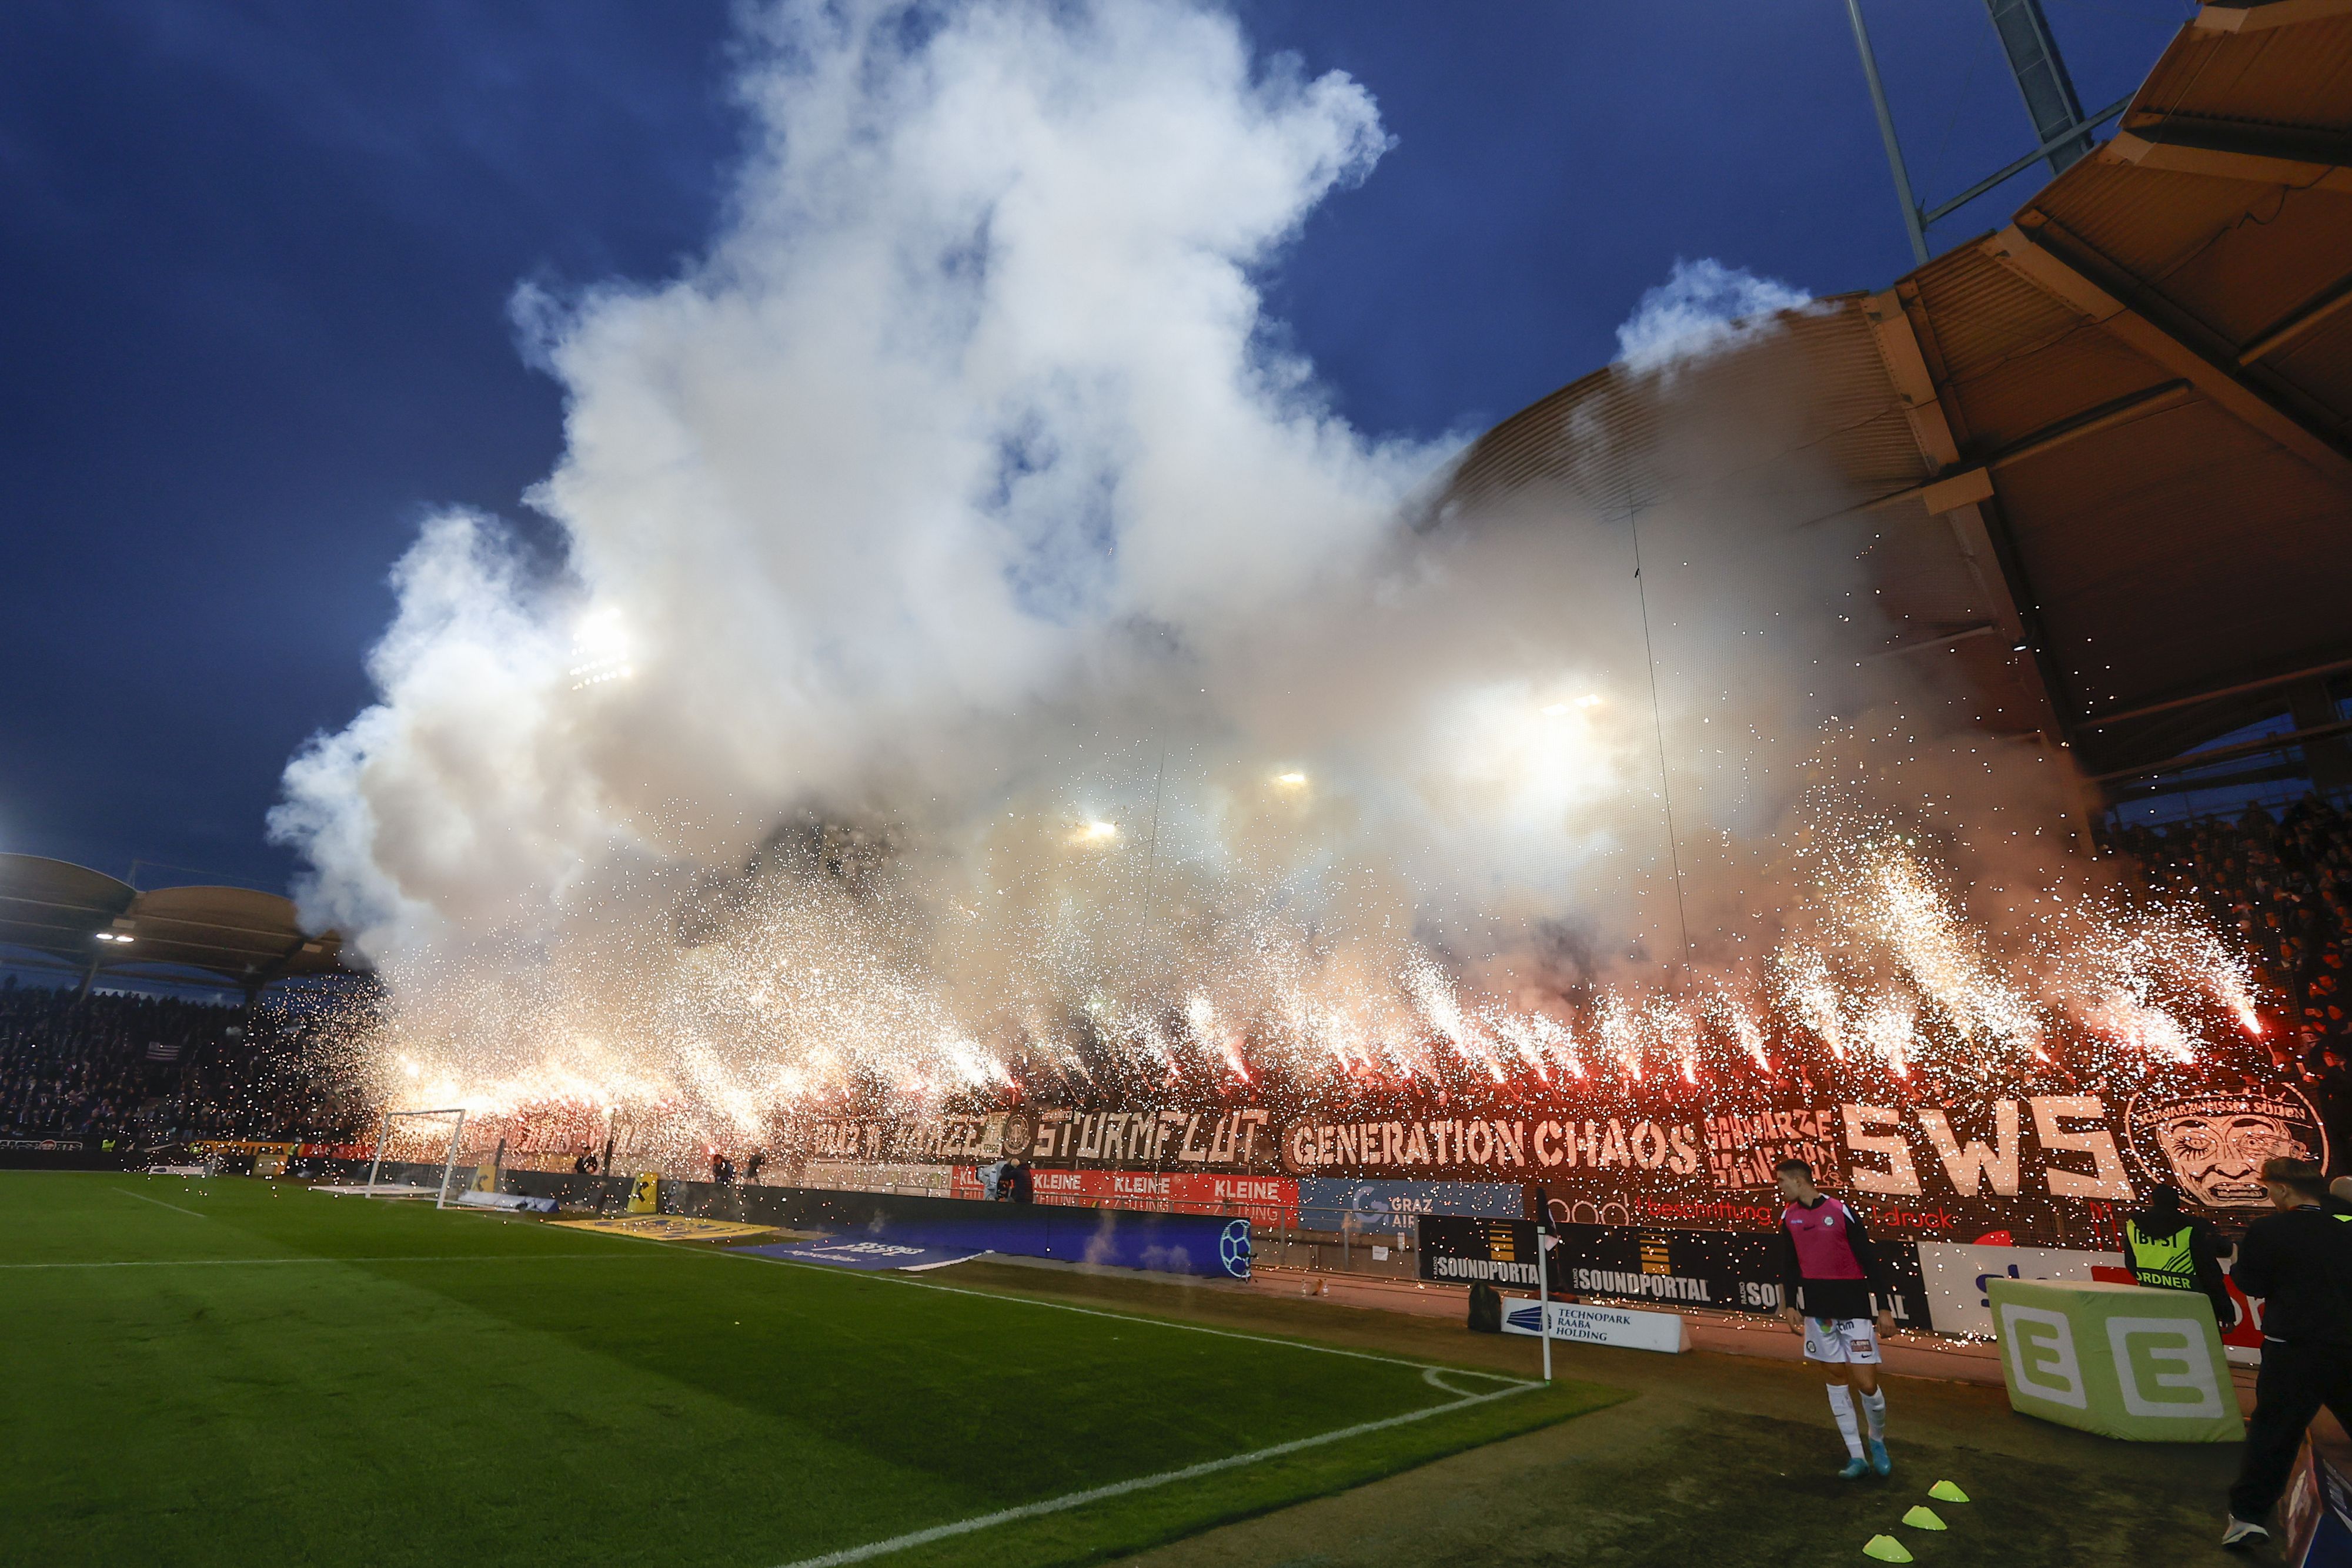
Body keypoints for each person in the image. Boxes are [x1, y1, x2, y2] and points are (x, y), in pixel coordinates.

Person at [2221, 1158, 2352, 1550]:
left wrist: (2235, 1259)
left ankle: (2246, 1518)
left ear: (2280, 1189)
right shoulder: (2343, 1231)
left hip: (2291, 1350)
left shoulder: (2269, 1228)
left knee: (2273, 1434)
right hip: (2345, 1346)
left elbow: (2250, 1281)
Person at [1772, 1158, 1899, 1480]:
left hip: (1854, 1308)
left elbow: (1869, 1260)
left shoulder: (1840, 1211)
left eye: (1782, 1182)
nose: (1780, 1188)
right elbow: (1789, 1264)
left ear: (1799, 1181)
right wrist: (1790, 1304)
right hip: (1819, 1312)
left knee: (1867, 1384)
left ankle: (1878, 1441)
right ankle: (1856, 1456)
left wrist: (1884, 1307)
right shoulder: (1789, 1217)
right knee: (1835, 1381)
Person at [2124, 1184, 2236, 1330]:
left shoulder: (2134, 1226)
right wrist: (2225, 1313)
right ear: (2178, 1203)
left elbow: (2131, 1264)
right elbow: (2210, 1274)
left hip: (2152, 1300)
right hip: (2194, 1302)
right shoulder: (2193, 1228)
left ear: (2152, 1200)